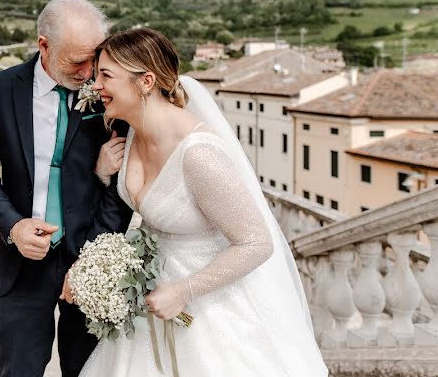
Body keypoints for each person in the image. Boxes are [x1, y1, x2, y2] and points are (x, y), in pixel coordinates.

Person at [75, 28, 327, 377]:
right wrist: (105, 177)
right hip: (151, 300)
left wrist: (184, 290)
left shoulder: (200, 156)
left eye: (106, 75)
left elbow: (256, 242)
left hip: (207, 307)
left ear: (146, 81)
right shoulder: (132, 132)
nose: (95, 84)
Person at [0, 0, 134, 377]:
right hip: (23, 264)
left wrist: (91, 257)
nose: (90, 71)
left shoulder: (107, 93)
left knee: (89, 371)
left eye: (95, 58)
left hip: (91, 259)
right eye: (78, 61)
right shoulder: (0, 89)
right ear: (44, 45)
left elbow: (122, 186)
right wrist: (13, 226)